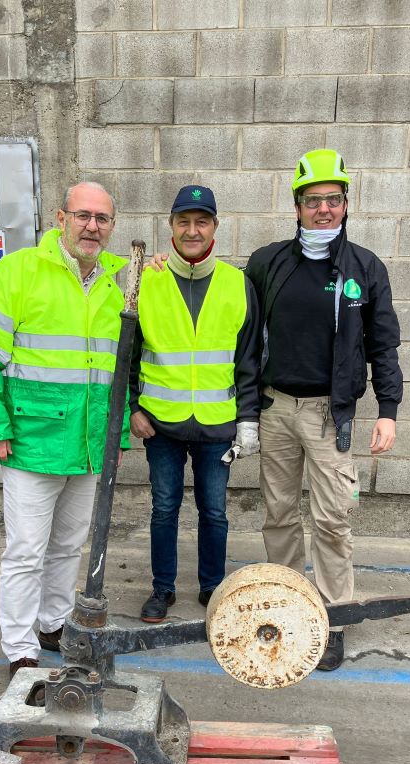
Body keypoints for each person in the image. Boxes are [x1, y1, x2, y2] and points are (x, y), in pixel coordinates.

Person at [0, 181, 128, 678]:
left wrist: (113, 436)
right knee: (26, 551)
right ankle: (19, 647)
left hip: (88, 445)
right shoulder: (20, 272)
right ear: (61, 218)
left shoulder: (117, 282)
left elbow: (117, 370)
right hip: (32, 441)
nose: (92, 226)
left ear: (111, 227)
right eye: (83, 215)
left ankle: (52, 623)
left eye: (102, 219)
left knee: (66, 547)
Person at [246, 149, 402, 671]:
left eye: (333, 201)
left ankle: (332, 619)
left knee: (333, 519)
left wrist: (388, 409)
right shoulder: (269, 263)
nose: (324, 210)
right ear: (296, 206)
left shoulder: (364, 268)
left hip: (326, 414)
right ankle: (289, 608)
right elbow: (245, 340)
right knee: (280, 516)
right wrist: (248, 411)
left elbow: (384, 345)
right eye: (314, 201)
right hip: (276, 410)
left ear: (345, 204)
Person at [130, 185, 260, 623]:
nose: (192, 230)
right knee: (164, 508)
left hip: (217, 423)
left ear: (214, 228)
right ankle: (162, 589)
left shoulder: (237, 284)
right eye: (183, 221)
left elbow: (248, 358)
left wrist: (248, 419)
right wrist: (134, 406)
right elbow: (127, 352)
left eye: (201, 221)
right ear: (171, 226)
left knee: (215, 511)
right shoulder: (146, 279)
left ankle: (212, 587)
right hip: (161, 422)